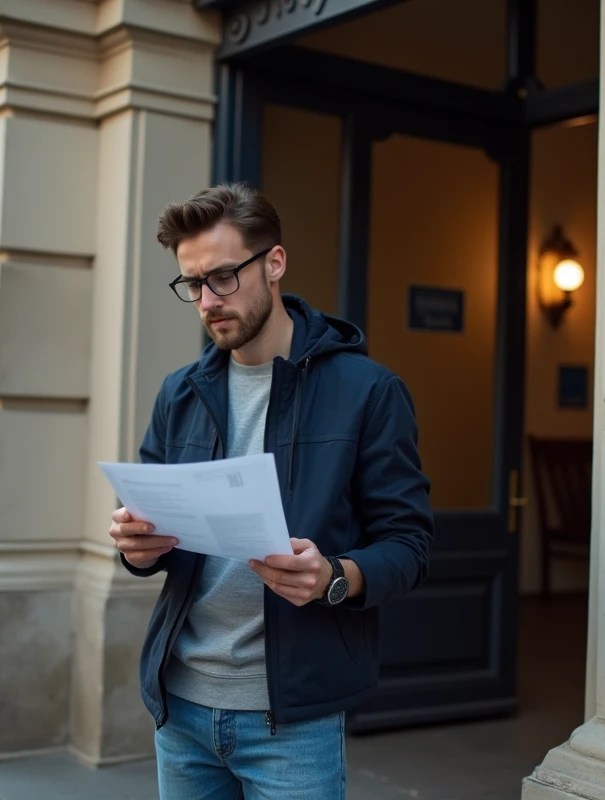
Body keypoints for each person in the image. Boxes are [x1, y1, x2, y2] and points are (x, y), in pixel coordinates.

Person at [108, 183, 433, 799]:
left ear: (275, 263)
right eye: (192, 284)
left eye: (224, 276)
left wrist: (336, 574)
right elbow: (150, 532)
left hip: (293, 720)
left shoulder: (368, 391)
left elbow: (410, 545)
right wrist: (135, 547)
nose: (207, 300)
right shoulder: (179, 393)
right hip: (180, 708)